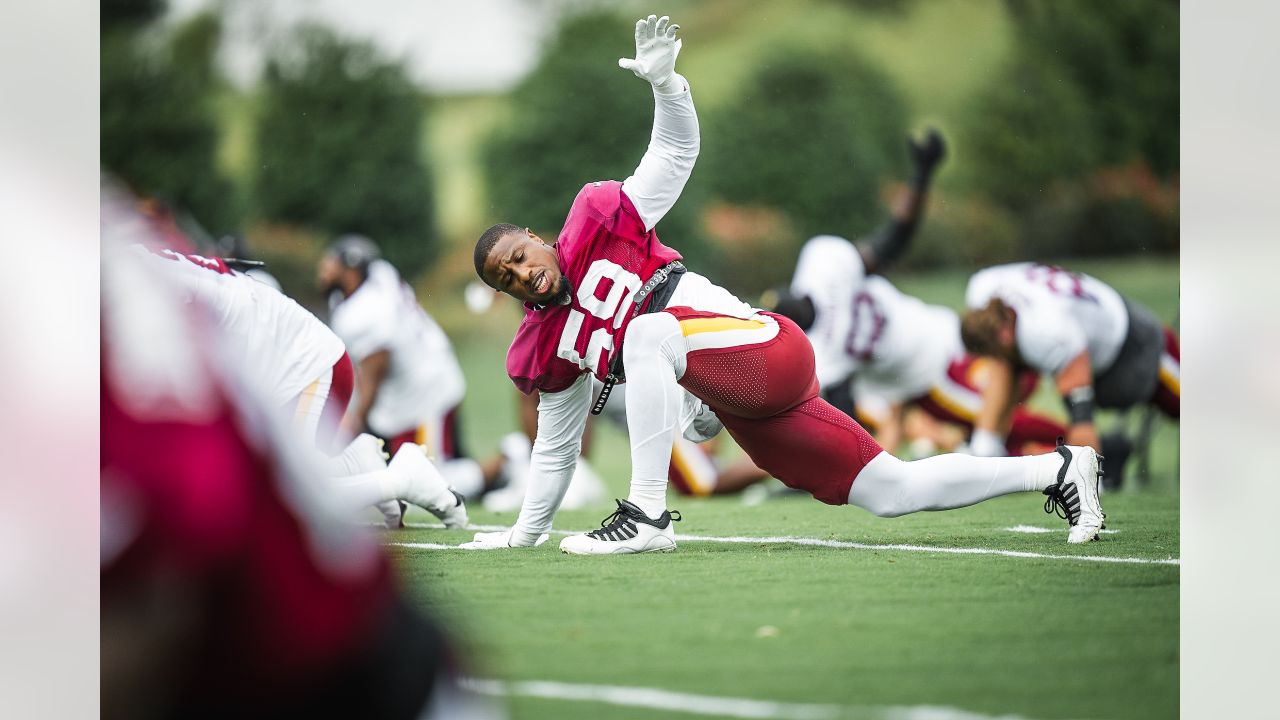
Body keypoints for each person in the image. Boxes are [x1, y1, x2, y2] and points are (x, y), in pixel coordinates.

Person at [463, 14, 1105, 554]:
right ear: (505, 291)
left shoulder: (601, 218)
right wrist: (522, 536)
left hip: (767, 347)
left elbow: (673, 156)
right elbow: (554, 449)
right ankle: (1059, 469)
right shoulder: (543, 345)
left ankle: (648, 515)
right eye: (506, 276)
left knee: (648, 333)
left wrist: (668, 86)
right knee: (891, 492)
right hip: (747, 402)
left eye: (520, 254)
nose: (522, 272)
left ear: (540, 238)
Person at [101, 222, 492, 719]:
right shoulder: (131, 269)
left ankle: (402, 477)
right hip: (289, 360)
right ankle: (375, 466)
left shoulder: (122, 295)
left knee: (291, 504)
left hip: (305, 363)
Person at [959, 262, 1179, 480]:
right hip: (1087, 317)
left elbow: (1081, 418)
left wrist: (1089, 482)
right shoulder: (984, 287)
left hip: (1130, 350)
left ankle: (1098, 470)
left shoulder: (1045, 333)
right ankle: (985, 448)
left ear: (1005, 336)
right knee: (1005, 362)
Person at [319, 236, 492, 500]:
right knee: (402, 476)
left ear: (350, 271)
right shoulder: (380, 272)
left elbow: (375, 373)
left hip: (422, 398)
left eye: (332, 262)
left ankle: (509, 461)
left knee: (429, 484)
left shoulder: (364, 313)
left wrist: (354, 423)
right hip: (422, 377)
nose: (324, 269)